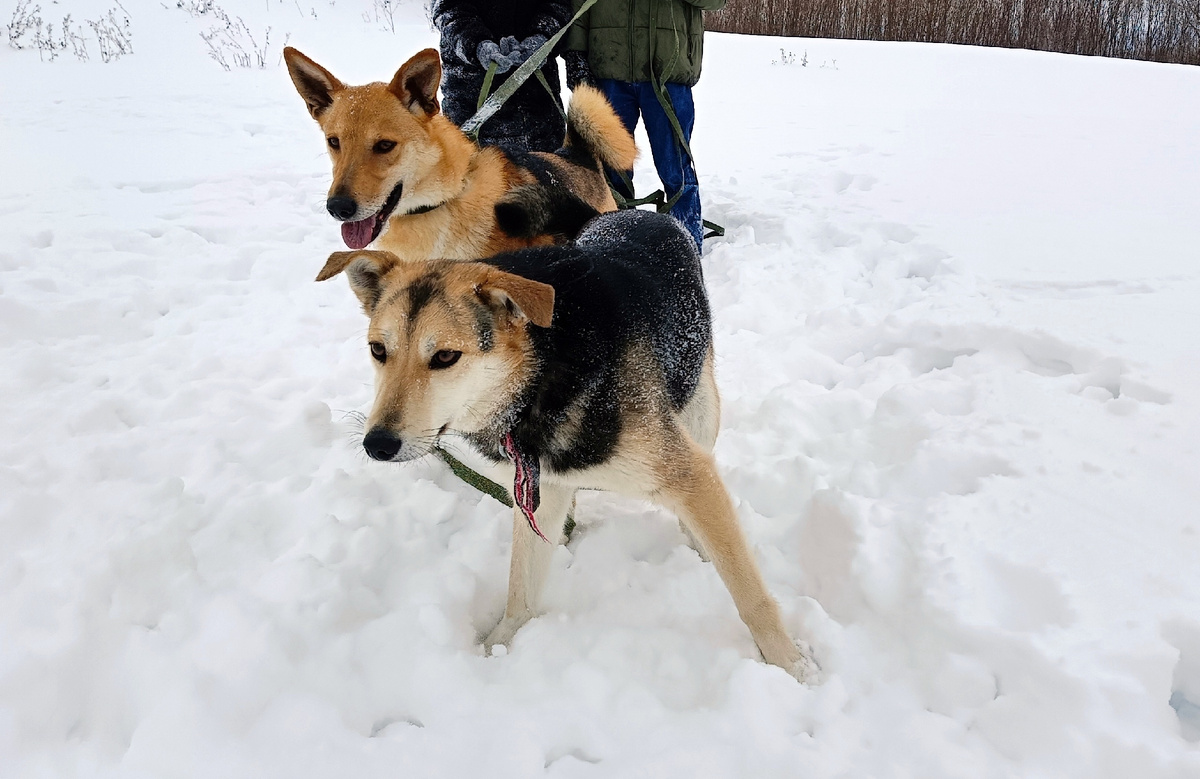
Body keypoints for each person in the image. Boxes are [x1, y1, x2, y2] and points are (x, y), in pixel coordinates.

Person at [564, 0, 726, 251]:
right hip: (608, 64)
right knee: (610, 164)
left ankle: (685, 241)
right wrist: (575, 54)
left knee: (674, 165)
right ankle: (615, 238)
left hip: (666, 72)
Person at [431, 0, 573, 154]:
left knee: (546, 170)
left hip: (539, 106)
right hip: (472, 98)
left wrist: (543, 36)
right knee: (473, 171)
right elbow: (448, 8)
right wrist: (476, 44)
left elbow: (558, 4)